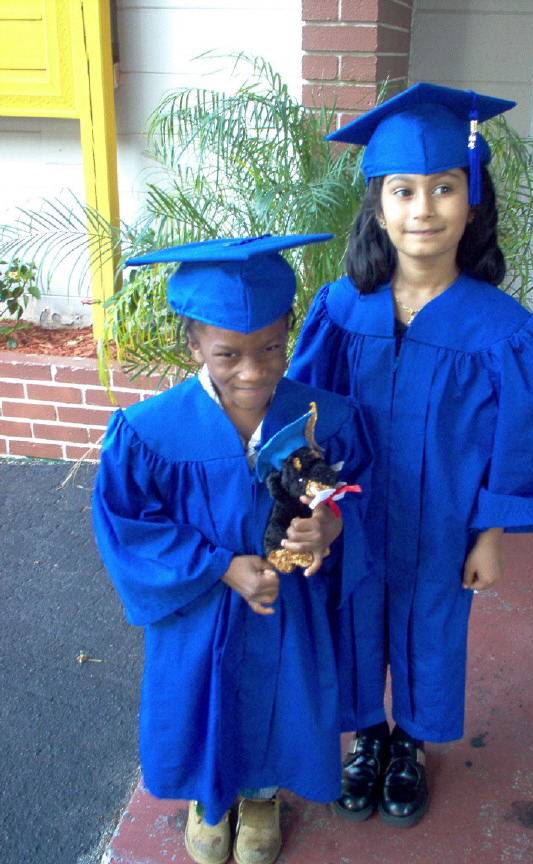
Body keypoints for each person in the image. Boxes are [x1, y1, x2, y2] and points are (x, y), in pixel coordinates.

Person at [287, 83, 533, 828]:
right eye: (403, 191)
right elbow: (305, 418)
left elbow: (519, 440)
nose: (423, 208)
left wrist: (491, 534)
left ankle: (409, 741)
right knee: (352, 619)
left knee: (432, 627)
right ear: (378, 207)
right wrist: (307, 501)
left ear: (472, 201)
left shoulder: (502, 328)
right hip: (353, 517)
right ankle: (367, 737)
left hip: (444, 522)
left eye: (444, 187)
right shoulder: (340, 309)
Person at [92, 234, 372, 864]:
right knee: (201, 700)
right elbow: (128, 525)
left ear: (288, 332)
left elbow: (363, 494)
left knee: (284, 700)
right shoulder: (149, 431)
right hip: (201, 609)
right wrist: (219, 566)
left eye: (271, 347)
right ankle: (208, 799)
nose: (253, 370)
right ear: (194, 345)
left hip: (289, 607)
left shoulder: (326, 419)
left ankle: (262, 797)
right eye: (228, 354)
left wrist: (330, 526)